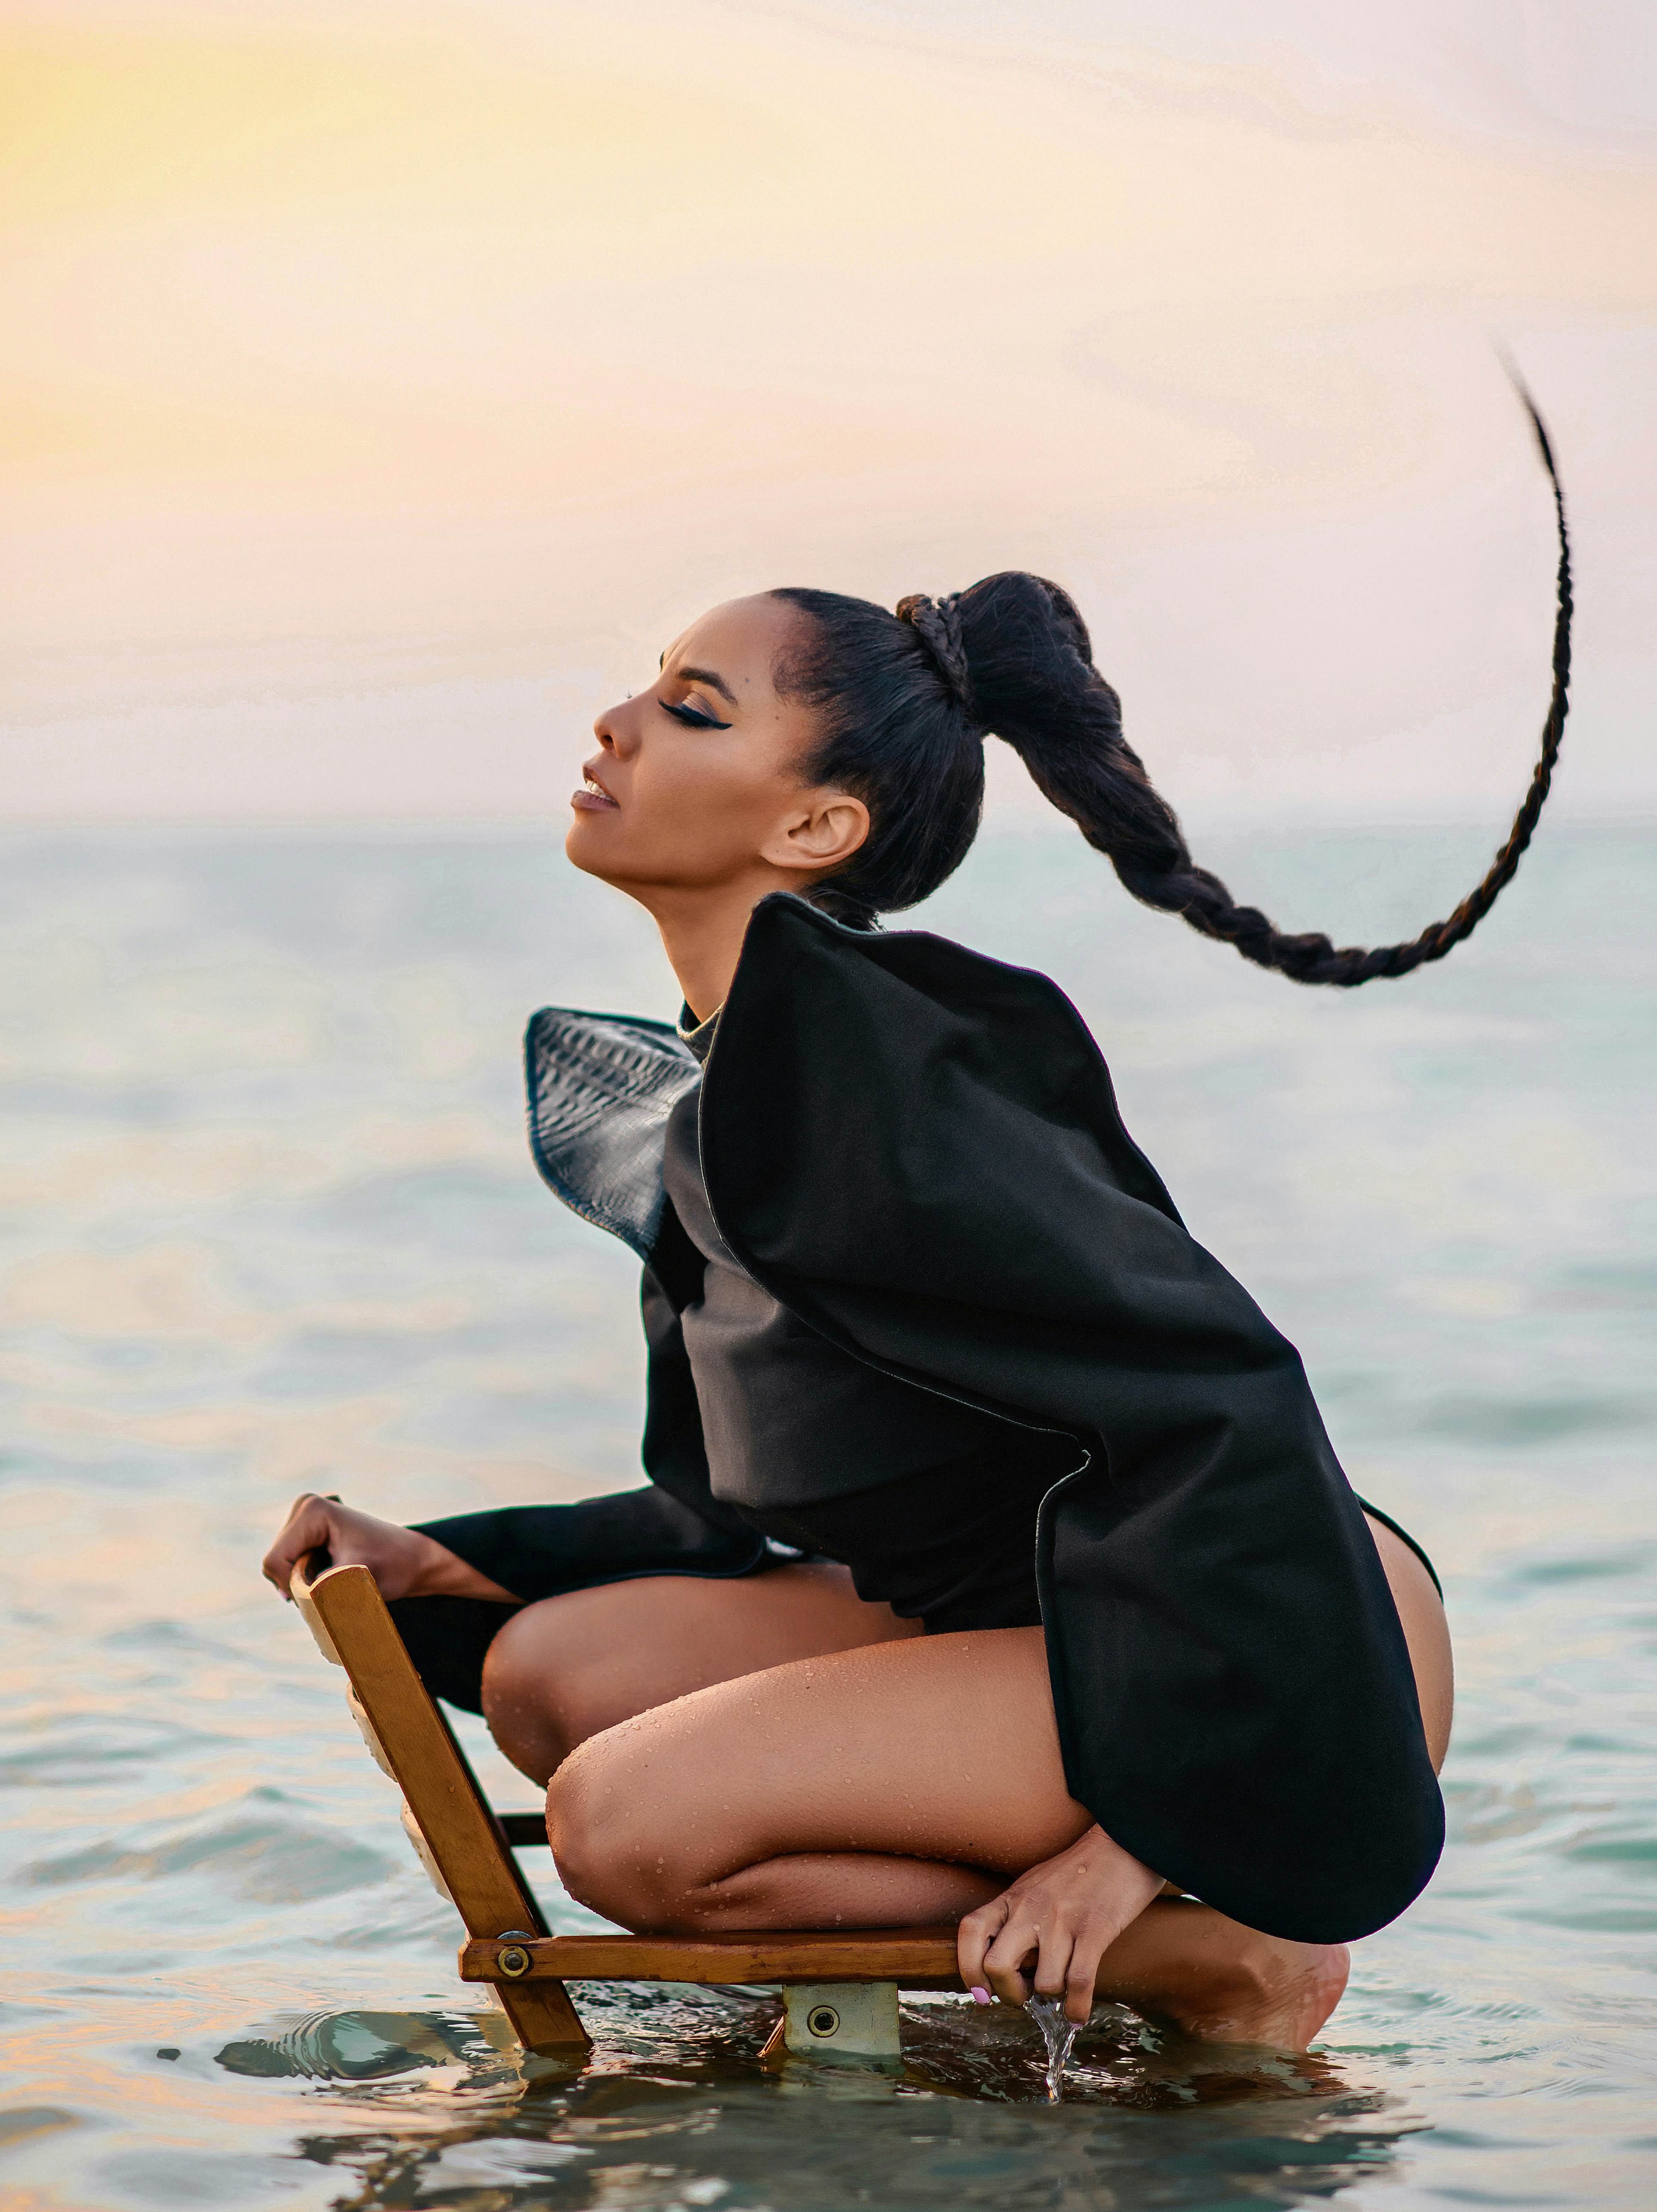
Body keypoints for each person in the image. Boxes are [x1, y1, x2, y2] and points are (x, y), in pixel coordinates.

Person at [266, 479, 1570, 2047]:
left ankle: (1215, 1953)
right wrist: (454, 1560)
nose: (613, 724)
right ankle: (1053, 1918)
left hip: (1269, 1622)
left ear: (816, 826)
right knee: (549, 1672)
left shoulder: (888, 1064)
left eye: (689, 710)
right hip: (1009, 1613)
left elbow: (1227, 1394)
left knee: (624, 1827)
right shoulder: (728, 1076)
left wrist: (1126, 1852)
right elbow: (728, 1502)